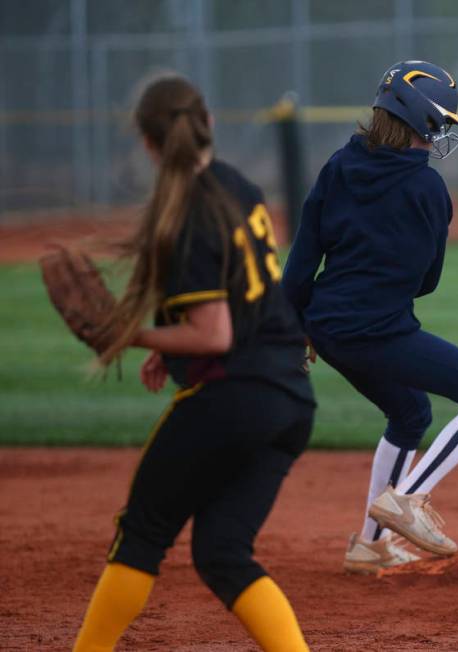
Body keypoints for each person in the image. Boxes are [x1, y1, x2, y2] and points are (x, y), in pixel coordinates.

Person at [72, 76, 315, 651]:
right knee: (223, 554)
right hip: (291, 401)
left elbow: (213, 333)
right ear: (206, 121)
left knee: (141, 536)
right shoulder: (239, 189)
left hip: (233, 397)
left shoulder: (186, 212)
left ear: (149, 143)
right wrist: (165, 343)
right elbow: (242, 302)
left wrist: (127, 334)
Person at [281, 60, 458, 573]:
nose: (440, 135)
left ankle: (370, 545)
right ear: (420, 120)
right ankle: (408, 497)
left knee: (411, 413)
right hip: (376, 331)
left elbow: (301, 261)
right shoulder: (426, 188)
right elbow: (425, 282)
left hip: (324, 325)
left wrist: (295, 327)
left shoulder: (339, 165)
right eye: (439, 123)